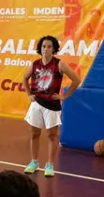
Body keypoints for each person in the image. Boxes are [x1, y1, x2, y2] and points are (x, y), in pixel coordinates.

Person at [21, 36, 81, 177]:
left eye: (48, 46)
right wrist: (29, 94)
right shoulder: (35, 64)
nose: (46, 49)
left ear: (53, 49)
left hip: (52, 106)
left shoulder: (59, 64)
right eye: (43, 46)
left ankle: (50, 164)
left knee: (52, 136)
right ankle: (34, 162)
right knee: (35, 134)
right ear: (40, 49)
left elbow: (76, 80)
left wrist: (64, 97)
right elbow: (24, 78)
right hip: (36, 104)